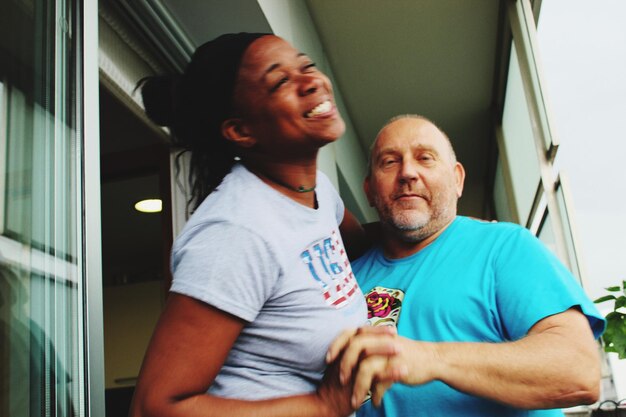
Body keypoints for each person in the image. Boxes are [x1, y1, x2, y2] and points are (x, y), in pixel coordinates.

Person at [129, 32, 372, 417]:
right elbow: (154, 407)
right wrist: (323, 405)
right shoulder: (235, 232)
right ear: (241, 130)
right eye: (281, 82)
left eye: (306, 66)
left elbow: (362, 245)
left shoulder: (318, 189)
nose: (312, 81)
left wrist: (442, 227)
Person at [326, 115, 606, 416]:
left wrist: (431, 358)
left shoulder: (505, 246)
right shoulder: (344, 280)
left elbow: (577, 371)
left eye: (425, 158)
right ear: (368, 190)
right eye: (390, 162)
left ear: (457, 179)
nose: (408, 172)